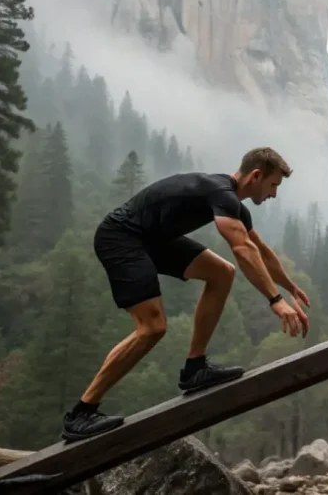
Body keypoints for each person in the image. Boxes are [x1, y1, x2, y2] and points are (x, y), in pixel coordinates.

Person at [61, 146, 311, 441]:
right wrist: (276, 301)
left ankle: (195, 368)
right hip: (121, 237)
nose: (274, 194)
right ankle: (82, 412)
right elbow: (242, 249)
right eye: (273, 185)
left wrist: (289, 286)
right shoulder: (220, 193)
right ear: (256, 176)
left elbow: (261, 251)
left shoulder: (232, 204)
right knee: (152, 327)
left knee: (222, 272)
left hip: (153, 239)